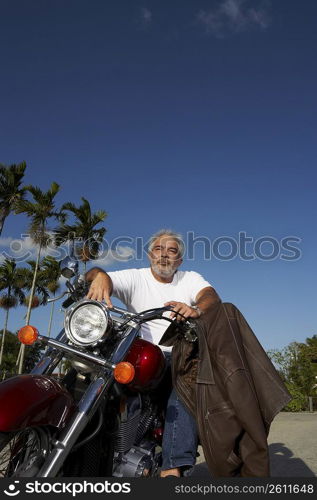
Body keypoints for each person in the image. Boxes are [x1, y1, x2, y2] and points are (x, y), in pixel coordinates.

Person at [85, 229, 221, 477]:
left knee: (182, 388)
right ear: (150, 255)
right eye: (159, 249)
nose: (164, 255)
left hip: (176, 353)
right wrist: (101, 276)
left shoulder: (189, 278)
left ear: (179, 260)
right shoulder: (136, 277)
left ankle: (172, 468)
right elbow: (94, 274)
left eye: (172, 251)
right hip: (138, 354)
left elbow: (210, 296)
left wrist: (195, 309)